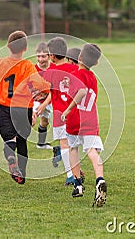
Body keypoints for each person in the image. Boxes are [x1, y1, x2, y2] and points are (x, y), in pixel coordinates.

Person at [0, 30, 50, 185]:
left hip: (6, 108)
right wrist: (44, 92)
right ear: (25, 48)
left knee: (9, 139)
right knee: (22, 140)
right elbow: (39, 84)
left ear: (8, 46)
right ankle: (22, 173)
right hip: (24, 109)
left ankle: (11, 159)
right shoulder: (28, 66)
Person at [61, 43, 107, 207]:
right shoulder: (93, 77)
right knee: (92, 151)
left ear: (79, 58)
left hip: (75, 118)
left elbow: (80, 93)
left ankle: (78, 184)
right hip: (90, 119)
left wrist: (67, 110)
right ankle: (99, 179)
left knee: (73, 149)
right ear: (95, 63)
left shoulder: (77, 75)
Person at [40, 37, 80, 185]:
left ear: (52, 55)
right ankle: (77, 171)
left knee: (64, 144)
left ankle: (70, 175)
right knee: (74, 145)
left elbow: (45, 87)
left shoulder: (50, 71)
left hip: (59, 114)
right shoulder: (75, 68)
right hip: (74, 113)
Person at [32, 42, 56, 150]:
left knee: (45, 121)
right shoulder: (32, 69)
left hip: (49, 99)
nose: (40, 59)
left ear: (49, 56)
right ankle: (15, 142)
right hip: (34, 100)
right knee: (30, 120)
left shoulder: (54, 69)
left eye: (43, 56)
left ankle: (41, 144)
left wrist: (44, 104)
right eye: (38, 56)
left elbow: (54, 90)